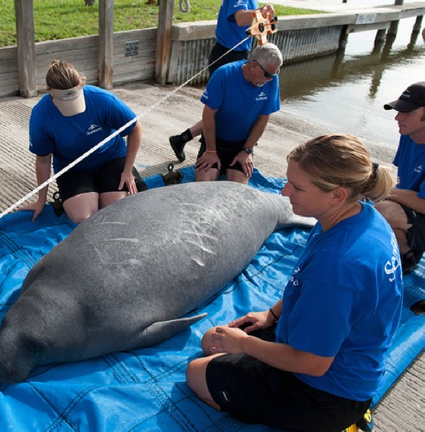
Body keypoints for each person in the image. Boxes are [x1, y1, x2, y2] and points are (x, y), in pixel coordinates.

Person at [186, 134, 403, 430]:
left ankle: (329, 423)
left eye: (297, 187)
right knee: (212, 338)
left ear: (337, 194)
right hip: (334, 351)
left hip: (324, 390)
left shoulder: (338, 266)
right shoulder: (358, 215)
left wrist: (247, 345)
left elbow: (313, 363)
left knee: (196, 374)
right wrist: (272, 314)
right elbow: (305, 285)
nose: (285, 191)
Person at [22, 59, 142, 224]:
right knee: (82, 217)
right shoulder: (40, 115)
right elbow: (43, 160)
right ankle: (92, 191)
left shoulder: (103, 99)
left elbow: (135, 128)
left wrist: (127, 170)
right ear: (50, 93)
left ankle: (104, 189)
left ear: (81, 85)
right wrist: (41, 200)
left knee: (118, 209)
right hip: (73, 166)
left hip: (111, 157)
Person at [168, 1, 275, 162]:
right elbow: (240, 19)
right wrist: (260, 12)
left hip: (241, 53)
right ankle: (206, 149)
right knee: (218, 109)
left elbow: (252, 25)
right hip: (228, 55)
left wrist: (264, 18)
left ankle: (182, 138)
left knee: (225, 109)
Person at [194, 43, 281, 183]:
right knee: (203, 185)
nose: (270, 79)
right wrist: (210, 150)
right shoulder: (223, 75)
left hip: (241, 145)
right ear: (253, 65)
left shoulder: (272, 81)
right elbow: (208, 114)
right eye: (267, 75)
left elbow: (263, 118)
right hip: (215, 142)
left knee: (237, 191)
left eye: (274, 74)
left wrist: (247, 150)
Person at [375, 82, 425, 275]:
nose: (398, 117)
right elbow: (403, 181)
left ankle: (407, 258)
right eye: (398, 111)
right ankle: (405, 247)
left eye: (408, 112)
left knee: (384, 209)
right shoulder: (408, 133)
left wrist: (386, 192)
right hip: (415, 210)